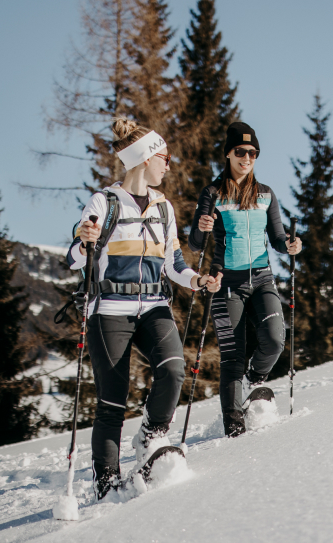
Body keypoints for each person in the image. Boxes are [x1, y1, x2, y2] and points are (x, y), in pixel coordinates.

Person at [68, 117, 221, 499]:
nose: (169, 165)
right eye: (164, 157)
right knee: (111, 401)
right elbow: (74, 256)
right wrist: (85, 241)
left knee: (173, 369)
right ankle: (106, 484)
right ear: (145, 158)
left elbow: (174, 263)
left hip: (154, 305)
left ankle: (151, 435)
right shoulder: (104, 202)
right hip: (109, 311)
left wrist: (197, 281)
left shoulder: (164, 208)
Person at [189, 121, 302, 437]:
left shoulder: (265, 194)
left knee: (275, 339)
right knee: (232, 357)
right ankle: (234, 426)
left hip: (263, 278)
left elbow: (279, 239)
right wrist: (202, 226)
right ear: (228, 153)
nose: (247, 158)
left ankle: (256, 380)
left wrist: (292, 245)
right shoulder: (213, 194)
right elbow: (196, 244)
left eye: (253, 153)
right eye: (241, 151)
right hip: (226, 283)